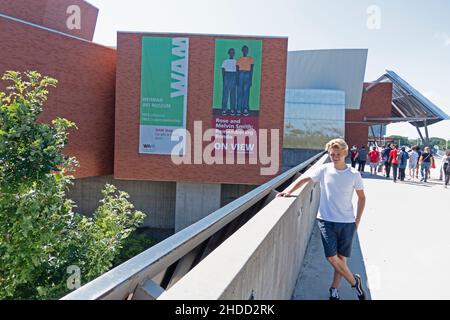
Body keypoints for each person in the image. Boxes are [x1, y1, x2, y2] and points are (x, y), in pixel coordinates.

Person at [277, 138, 366, 301]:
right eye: (332, 154)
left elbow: (362, 198)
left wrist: (357, 220)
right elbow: (305, 179)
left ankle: (334, 289)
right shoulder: (324, 170)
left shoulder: (353, 174)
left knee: (341, 259)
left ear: (345, 153)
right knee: (332, 257)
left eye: (338, 154)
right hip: (325, 220)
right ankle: (355, 283)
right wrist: (289, 191)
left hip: (346, 222)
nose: (335, 157)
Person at [236, 45, 254, 117]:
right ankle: (239, 109)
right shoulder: (239, 59)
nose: (245, 51)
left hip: (247, 74)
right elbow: (237, 70)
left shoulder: (251, 59)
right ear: (242, 50)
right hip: (240, 74)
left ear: (248, 51)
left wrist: (250, 79)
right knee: (240, 92)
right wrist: (237, 79)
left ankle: (245, 108)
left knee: (246, 92)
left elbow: (252, 70)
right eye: (244, 49)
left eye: (246, 50)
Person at [221, 48, 237, 116]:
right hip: (227, 75)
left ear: (234, 53)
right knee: (225, 93)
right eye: (230, 52)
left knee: (233, 94)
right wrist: (224, 79)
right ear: (228, 53)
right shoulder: (225, 61)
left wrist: (236, 78)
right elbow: (223, 70)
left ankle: (232, 109)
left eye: (233, 52)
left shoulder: (236, 61)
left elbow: (237, 70)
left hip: (234, 75)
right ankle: (224, 109)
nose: (231, 53)